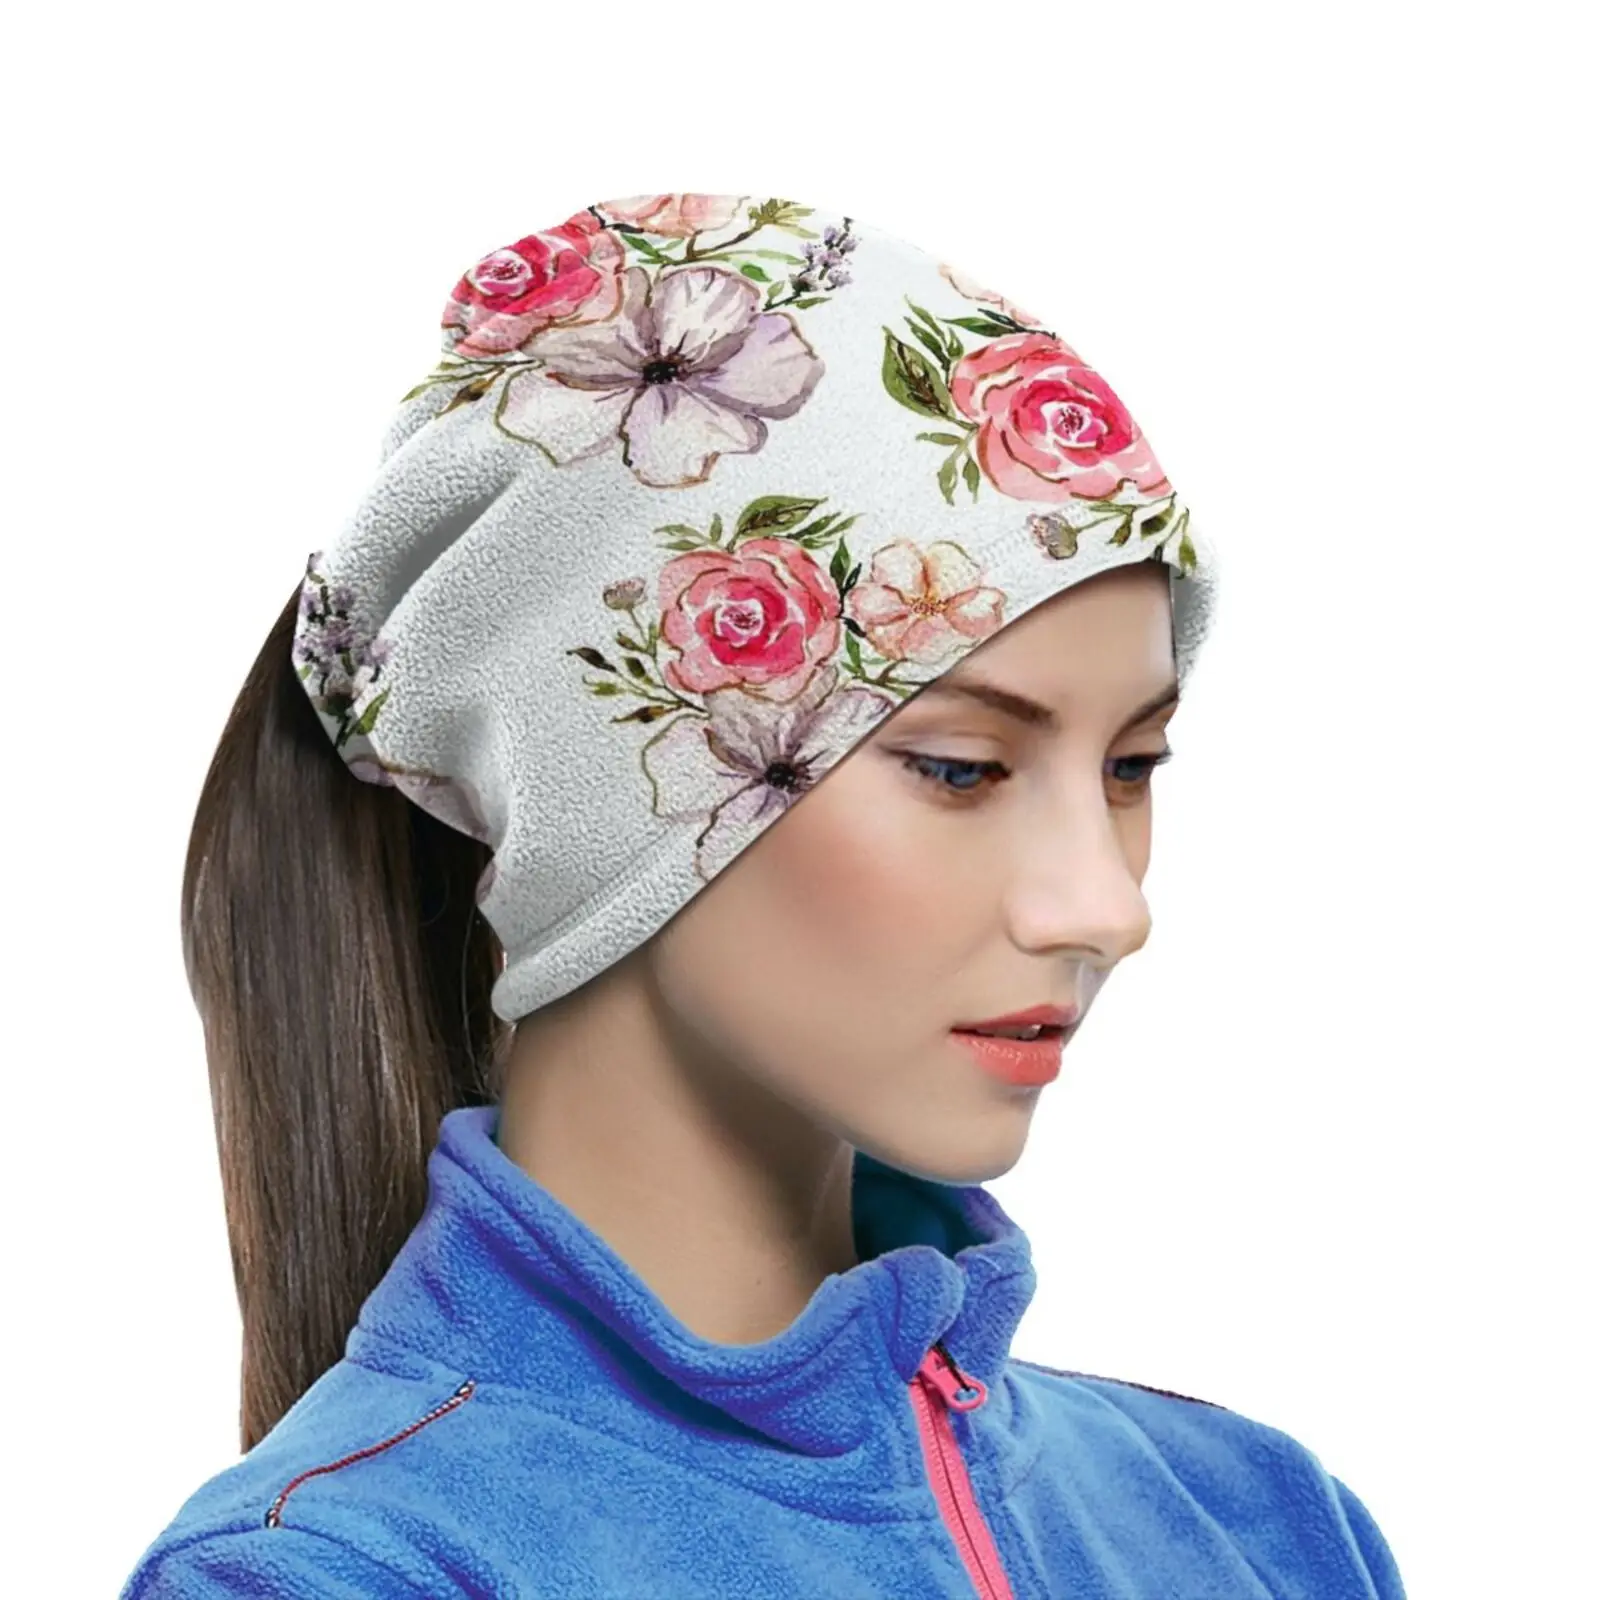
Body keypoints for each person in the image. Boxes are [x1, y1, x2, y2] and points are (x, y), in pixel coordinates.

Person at [119, 192, 1405, 1598]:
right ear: (607, 795)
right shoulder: (341, 1573)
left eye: (1131, 765)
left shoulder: (1259, 1524)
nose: (1105, 908)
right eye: (964, 769)